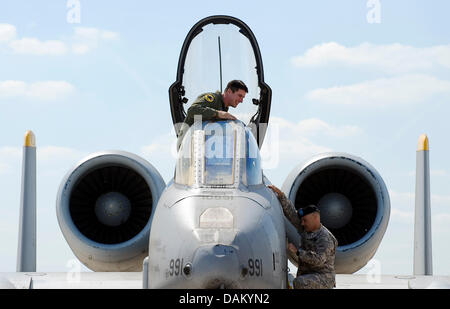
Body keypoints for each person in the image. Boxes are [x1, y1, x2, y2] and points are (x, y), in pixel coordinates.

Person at [267, 185, 338, 289]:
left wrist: (297, 252)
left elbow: (319, 260)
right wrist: (281, 195)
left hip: (324, 278)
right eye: (302, 221)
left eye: (305, 220)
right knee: (300, 281)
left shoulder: (325, 237)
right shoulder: (307, 229)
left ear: (315, 218)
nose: (302, 223)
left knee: (300, 282)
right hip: (309, 274)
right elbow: (291, 214)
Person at [177, 80, 248, 149]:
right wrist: (217, 113)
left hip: (201, 148)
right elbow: (192, 110)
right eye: (239, 96)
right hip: (187, 147)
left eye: (243, 97)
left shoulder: (223, 108)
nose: (241, 101)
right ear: (229, 91)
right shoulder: (213, 99)